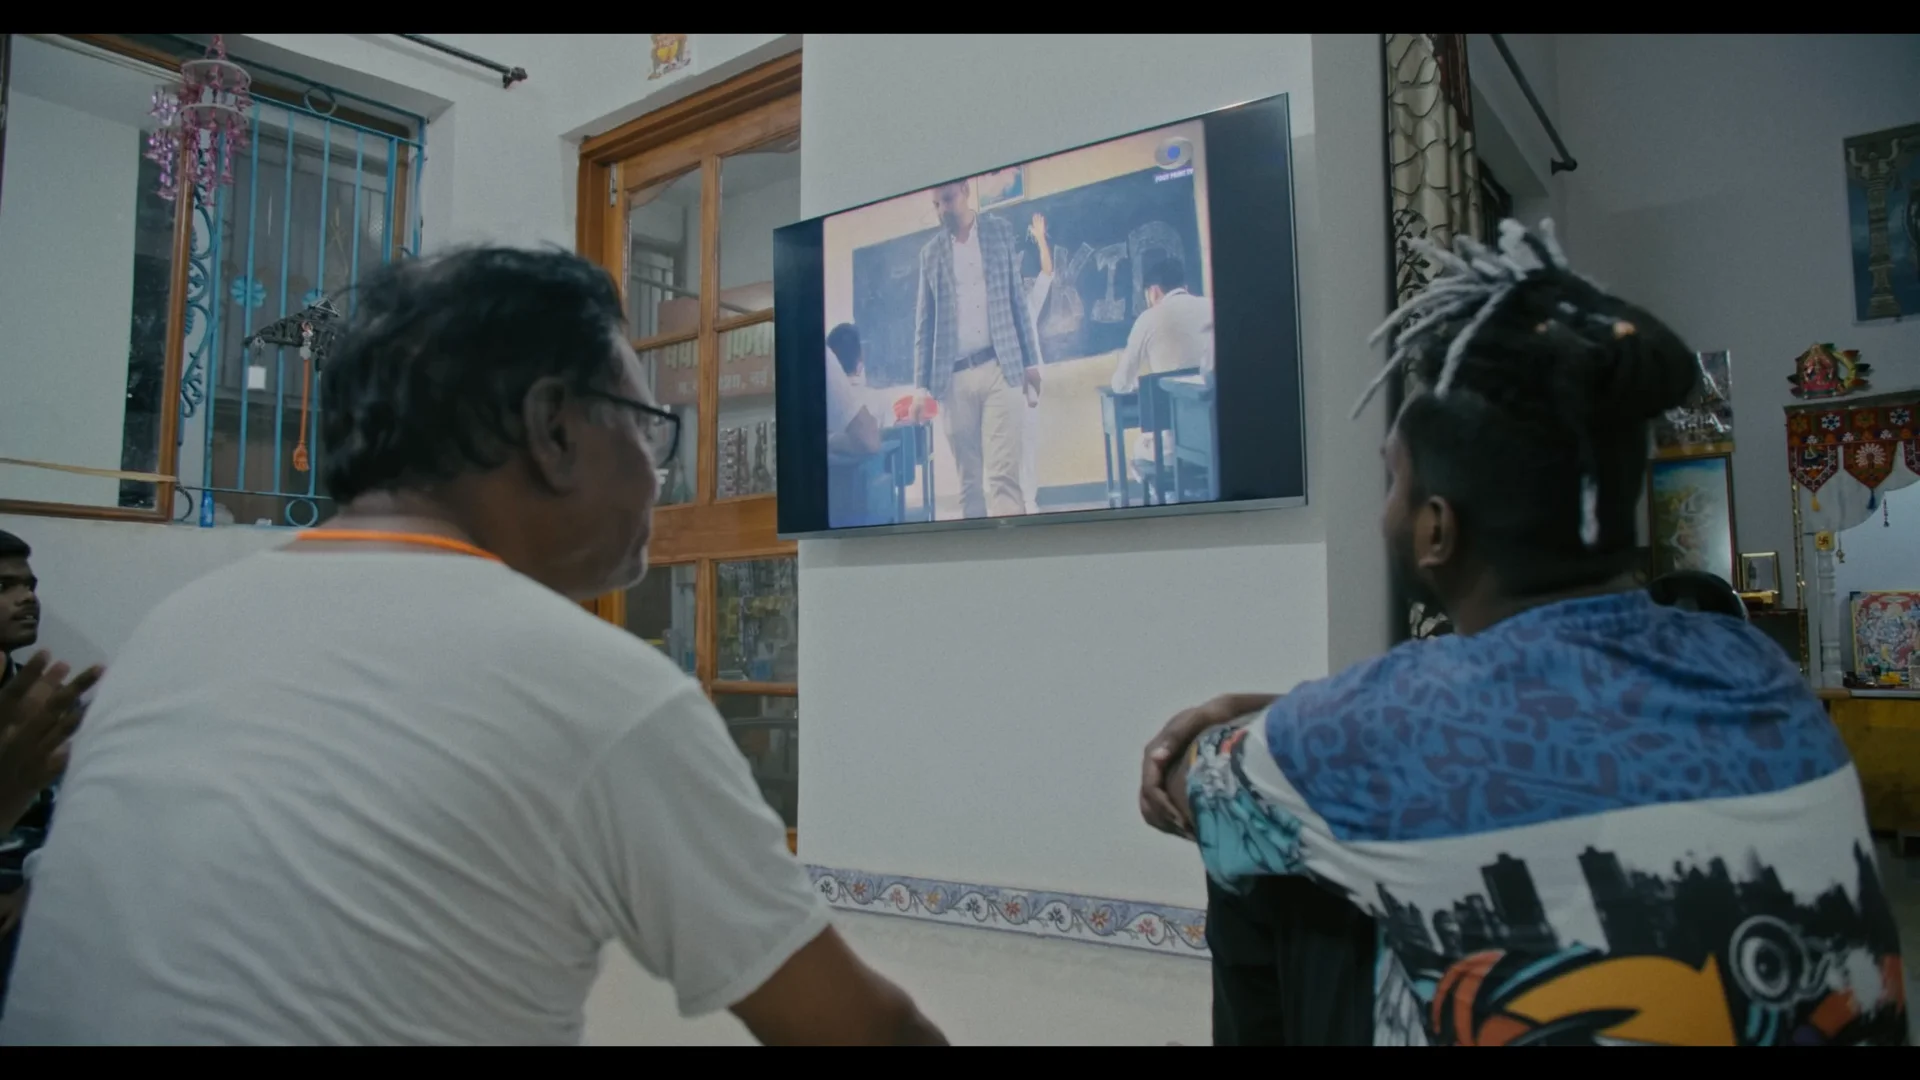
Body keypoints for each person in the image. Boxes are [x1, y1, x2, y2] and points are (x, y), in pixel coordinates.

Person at [0, 247, 945, 1047]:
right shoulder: (595, 688)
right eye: (649, 428)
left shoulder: (177, 628)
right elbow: (863, 1034)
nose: (660, 477)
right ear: (552, 429)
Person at [1140, 220, 1908, 1047]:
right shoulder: (1756, 663)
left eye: (1392, 480)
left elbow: (1186, 786)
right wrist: (1304, 710)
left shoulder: (1374, 733)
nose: (1384, 509)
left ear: (1436, 529)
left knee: (1273, 864)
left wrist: (1247, 722)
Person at [0, 531, 101, 1018]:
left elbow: (80, 813)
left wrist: (31, 887)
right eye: (4, 587)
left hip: (27, 900)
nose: (27, 599)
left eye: (30, 585)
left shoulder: (48, 704)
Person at [910, 178, 1043, 519]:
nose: (942, 210)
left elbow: (1016, 300)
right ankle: (977, 551)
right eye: (936, 204)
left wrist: (1031, 362)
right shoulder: (930, 255)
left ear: (966, 191)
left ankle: (1012, 549)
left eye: (947, 199)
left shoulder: (999, 232)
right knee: (969, 484)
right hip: (953, 379)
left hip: (1001, 367)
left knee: (1003, 477)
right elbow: (925, 324)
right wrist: (920, 389)